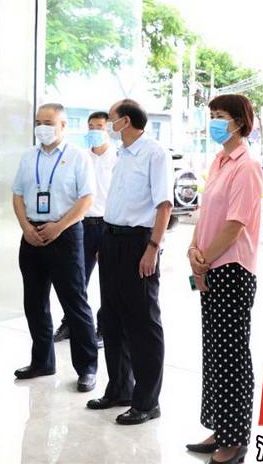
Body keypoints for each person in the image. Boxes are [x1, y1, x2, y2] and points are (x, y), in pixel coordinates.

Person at [185, 94, 262, 463]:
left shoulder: (247, 165)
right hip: (210, 265)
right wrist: (193, 250)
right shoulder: (219, 161)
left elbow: (235, 224)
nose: (213, 122)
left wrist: (205, 260)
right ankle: (220, 428)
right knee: (215, 353)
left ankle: (235, 440)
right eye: (212, 115)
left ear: (239, 122)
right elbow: (206, 215)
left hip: (232, 269)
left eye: (220, 115)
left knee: (232, 356)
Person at [87, 99, 173, 426]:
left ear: (125, 121)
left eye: (111, 118)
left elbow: (164, 206)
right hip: (111, 239)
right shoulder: (122, 154)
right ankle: (120, 388)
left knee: (142, 323)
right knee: (112, 318)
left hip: (139, 242)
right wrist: (105, 242)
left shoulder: (154, 153)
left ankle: (147, 401)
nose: (108, 124)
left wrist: (153, 247)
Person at [12, 103, 99, 392]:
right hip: (32, 235)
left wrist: (58, 226)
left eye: (48, 122)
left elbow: (87, 199)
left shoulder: (77, 156)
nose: (42, 128)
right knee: (34, 303)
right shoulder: (29, 156)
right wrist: (26, 228)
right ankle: (42, 361)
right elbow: (17, 196)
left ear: (63, 125)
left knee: (75, 303)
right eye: (38, 122)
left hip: (65, 234)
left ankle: (87, 368)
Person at [53, 111, 116, 348]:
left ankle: (104, 328)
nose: (94, 131)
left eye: (99, 126)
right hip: (82, 224)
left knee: (108, 281)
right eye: (91, 127)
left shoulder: (117, 157)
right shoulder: (81, 157)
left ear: (108, 129)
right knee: (76, 280)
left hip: (107, 225)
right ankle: (70, 323)